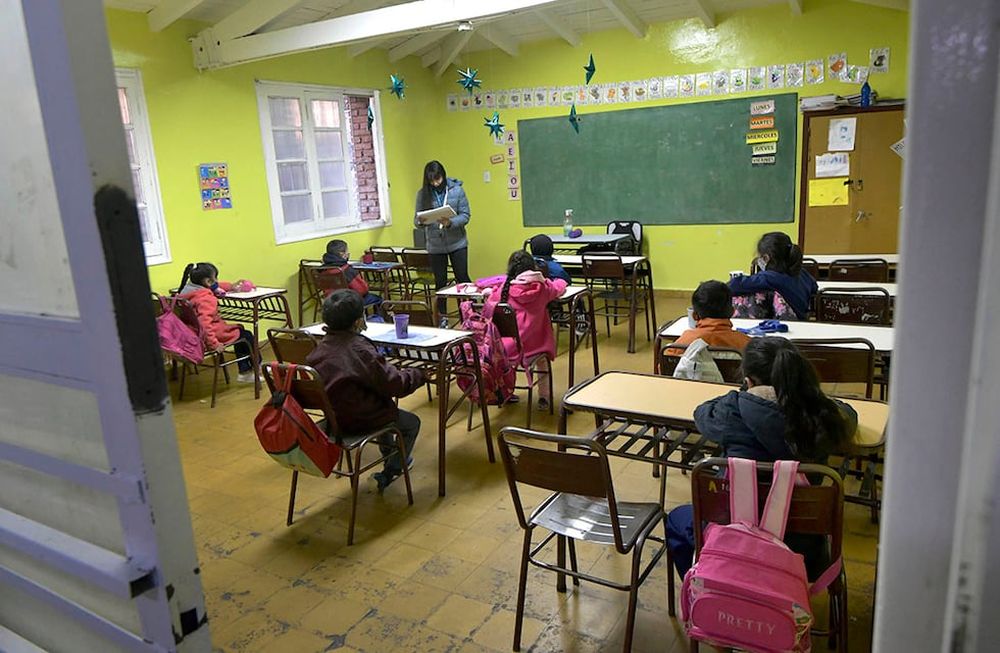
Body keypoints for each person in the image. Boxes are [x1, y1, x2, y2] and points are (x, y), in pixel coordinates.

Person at [668, 337, 858, 579]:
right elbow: (849, 416)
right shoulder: (822, 417)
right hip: (804, 553)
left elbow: (702, 412)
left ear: (749, 381)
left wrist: (741, 394)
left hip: (732, 539)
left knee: (676, 518)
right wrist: (816, 397)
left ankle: (706, 581)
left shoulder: (730, 412)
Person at [306, 289, 425, 491]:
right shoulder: (360, 350)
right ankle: (391, 470)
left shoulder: (320, 348)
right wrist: (417, 374)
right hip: (362, 418)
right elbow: (395, 385)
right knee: (411, 423)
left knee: (379, 402)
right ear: (358, 321)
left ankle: (388, 458)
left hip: (334, 420)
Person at [484, 251, 567, 410]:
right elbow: (558, 288)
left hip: (510, 348)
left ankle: (507, 391)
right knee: (543, 364)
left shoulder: (504, 290)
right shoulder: (542, 288)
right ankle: (544, 397)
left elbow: (491, 301)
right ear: (533, 268)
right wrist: (559, 281)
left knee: (507, 363)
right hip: (536, 347)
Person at [177, 262, 257, 383]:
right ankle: (249, 369)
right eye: (215, 278)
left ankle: (248, 369)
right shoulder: (206, 299)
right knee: (246, 335)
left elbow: (215, 286)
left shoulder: (186, 291)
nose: (217, 281)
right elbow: (204, 324)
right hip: (210, 334)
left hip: (191, 331)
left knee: (241, 333)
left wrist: (231, 286)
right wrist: (213, 344)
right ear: (208, 282)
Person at [414, 161, 471, 324]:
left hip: (457, 242)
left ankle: (469, 312)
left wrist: (450, 223)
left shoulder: (457, 190)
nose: (435, 183)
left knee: (463, 278)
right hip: (435, 244)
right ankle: (442, 317)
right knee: (440, 282)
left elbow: (465, 215)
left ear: (443, 176)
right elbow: (416, 220)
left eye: (438, 179)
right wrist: (421, 221)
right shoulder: (422, 194)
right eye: (431, 181)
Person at [729, 232, 818, 320]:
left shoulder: (770, 278)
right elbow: (814, 287)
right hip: (804, 320)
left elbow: (734, 285)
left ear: (766, 258)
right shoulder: (802, 273)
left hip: (790, 324)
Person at [668, 280, 751, 353]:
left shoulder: (680, 345)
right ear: (732, 312)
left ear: (694, 315)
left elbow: (663, 368)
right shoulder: (746, 345)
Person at [321, 239, 381, 308]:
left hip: (330, 302)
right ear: (342, 254)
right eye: (347, 252)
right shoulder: (346, 269)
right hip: (349, 303)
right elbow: (362, 290)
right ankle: (379, 318)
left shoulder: (322, 269)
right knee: (378, 299)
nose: (348, 254)